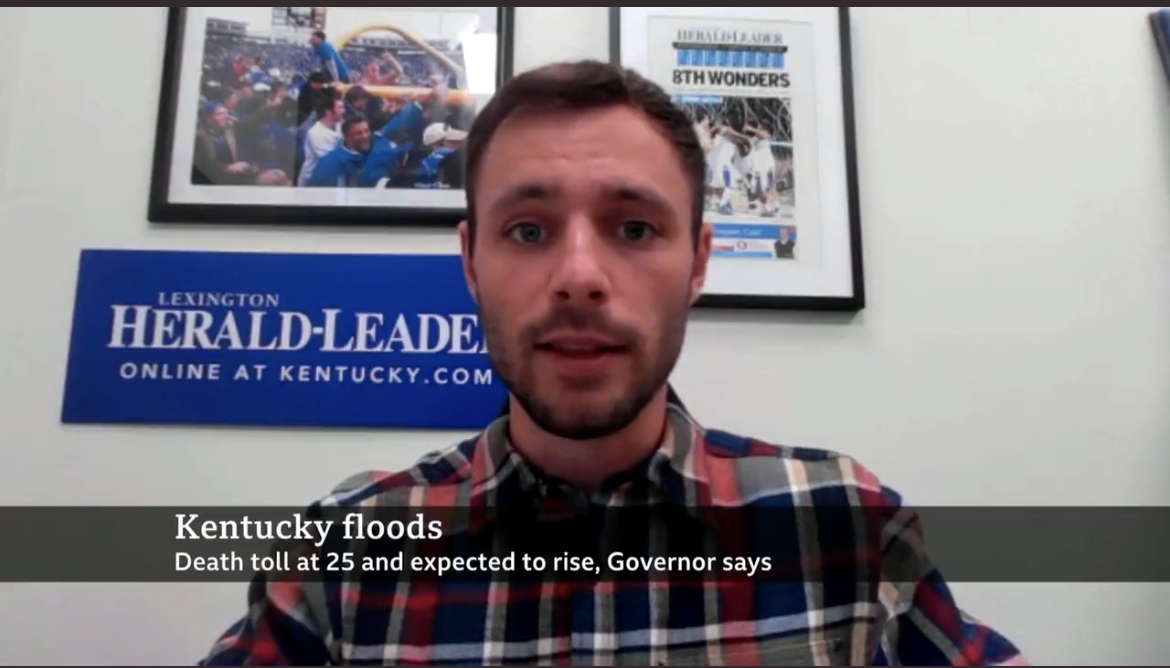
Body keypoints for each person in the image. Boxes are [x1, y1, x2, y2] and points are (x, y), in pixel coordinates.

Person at [197, 60, 1027, 666]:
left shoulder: (843, 530)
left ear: (699, 262)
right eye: (528, 230)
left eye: (634, 229)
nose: (581, 278)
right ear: (471, 262)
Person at [304, 115, 372, 188]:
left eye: (367, 131)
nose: (365, 136)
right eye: (358, 134)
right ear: (346, 137)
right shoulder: (328, 166)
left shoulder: (373, 153)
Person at [297, 91, 344, 187]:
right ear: (328, 111)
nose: (344, 111)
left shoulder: (340, 125)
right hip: (313, 184)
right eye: (340, 108)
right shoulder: (316, 133)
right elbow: (332, 162)